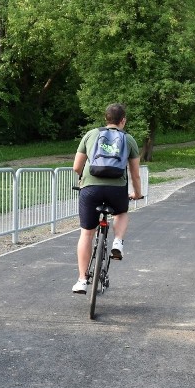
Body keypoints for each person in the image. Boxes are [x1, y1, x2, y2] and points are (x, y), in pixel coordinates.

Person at [71, 103, 142, 294]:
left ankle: (82, 280)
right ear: (123, 120)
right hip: (116, 189)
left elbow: (76, 166)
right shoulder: (128, 139)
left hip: (91, 189)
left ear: (106, 119)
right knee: (121, 213)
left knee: (86, 233)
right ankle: (117, 242)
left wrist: (84, 179)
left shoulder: (91, 134)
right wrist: (137, 193)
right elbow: (135, 174)